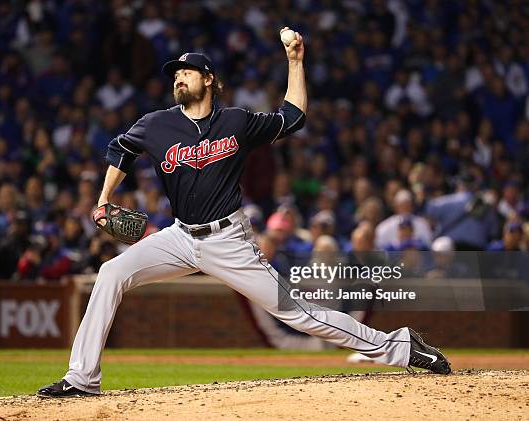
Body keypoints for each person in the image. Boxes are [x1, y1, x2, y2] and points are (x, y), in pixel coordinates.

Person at [38, 28, 450, 398]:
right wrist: (104, 198)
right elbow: (120, 149)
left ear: (210, 79)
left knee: (297, 314)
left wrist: (295, 61)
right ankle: (82, 378)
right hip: (179, 236)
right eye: (175, 73)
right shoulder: (156, 124)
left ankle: (400, 346)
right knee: (111, 273)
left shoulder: (236, 121)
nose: (178, 77)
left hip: (228, 240)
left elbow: (294, 116)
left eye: (187, 71)